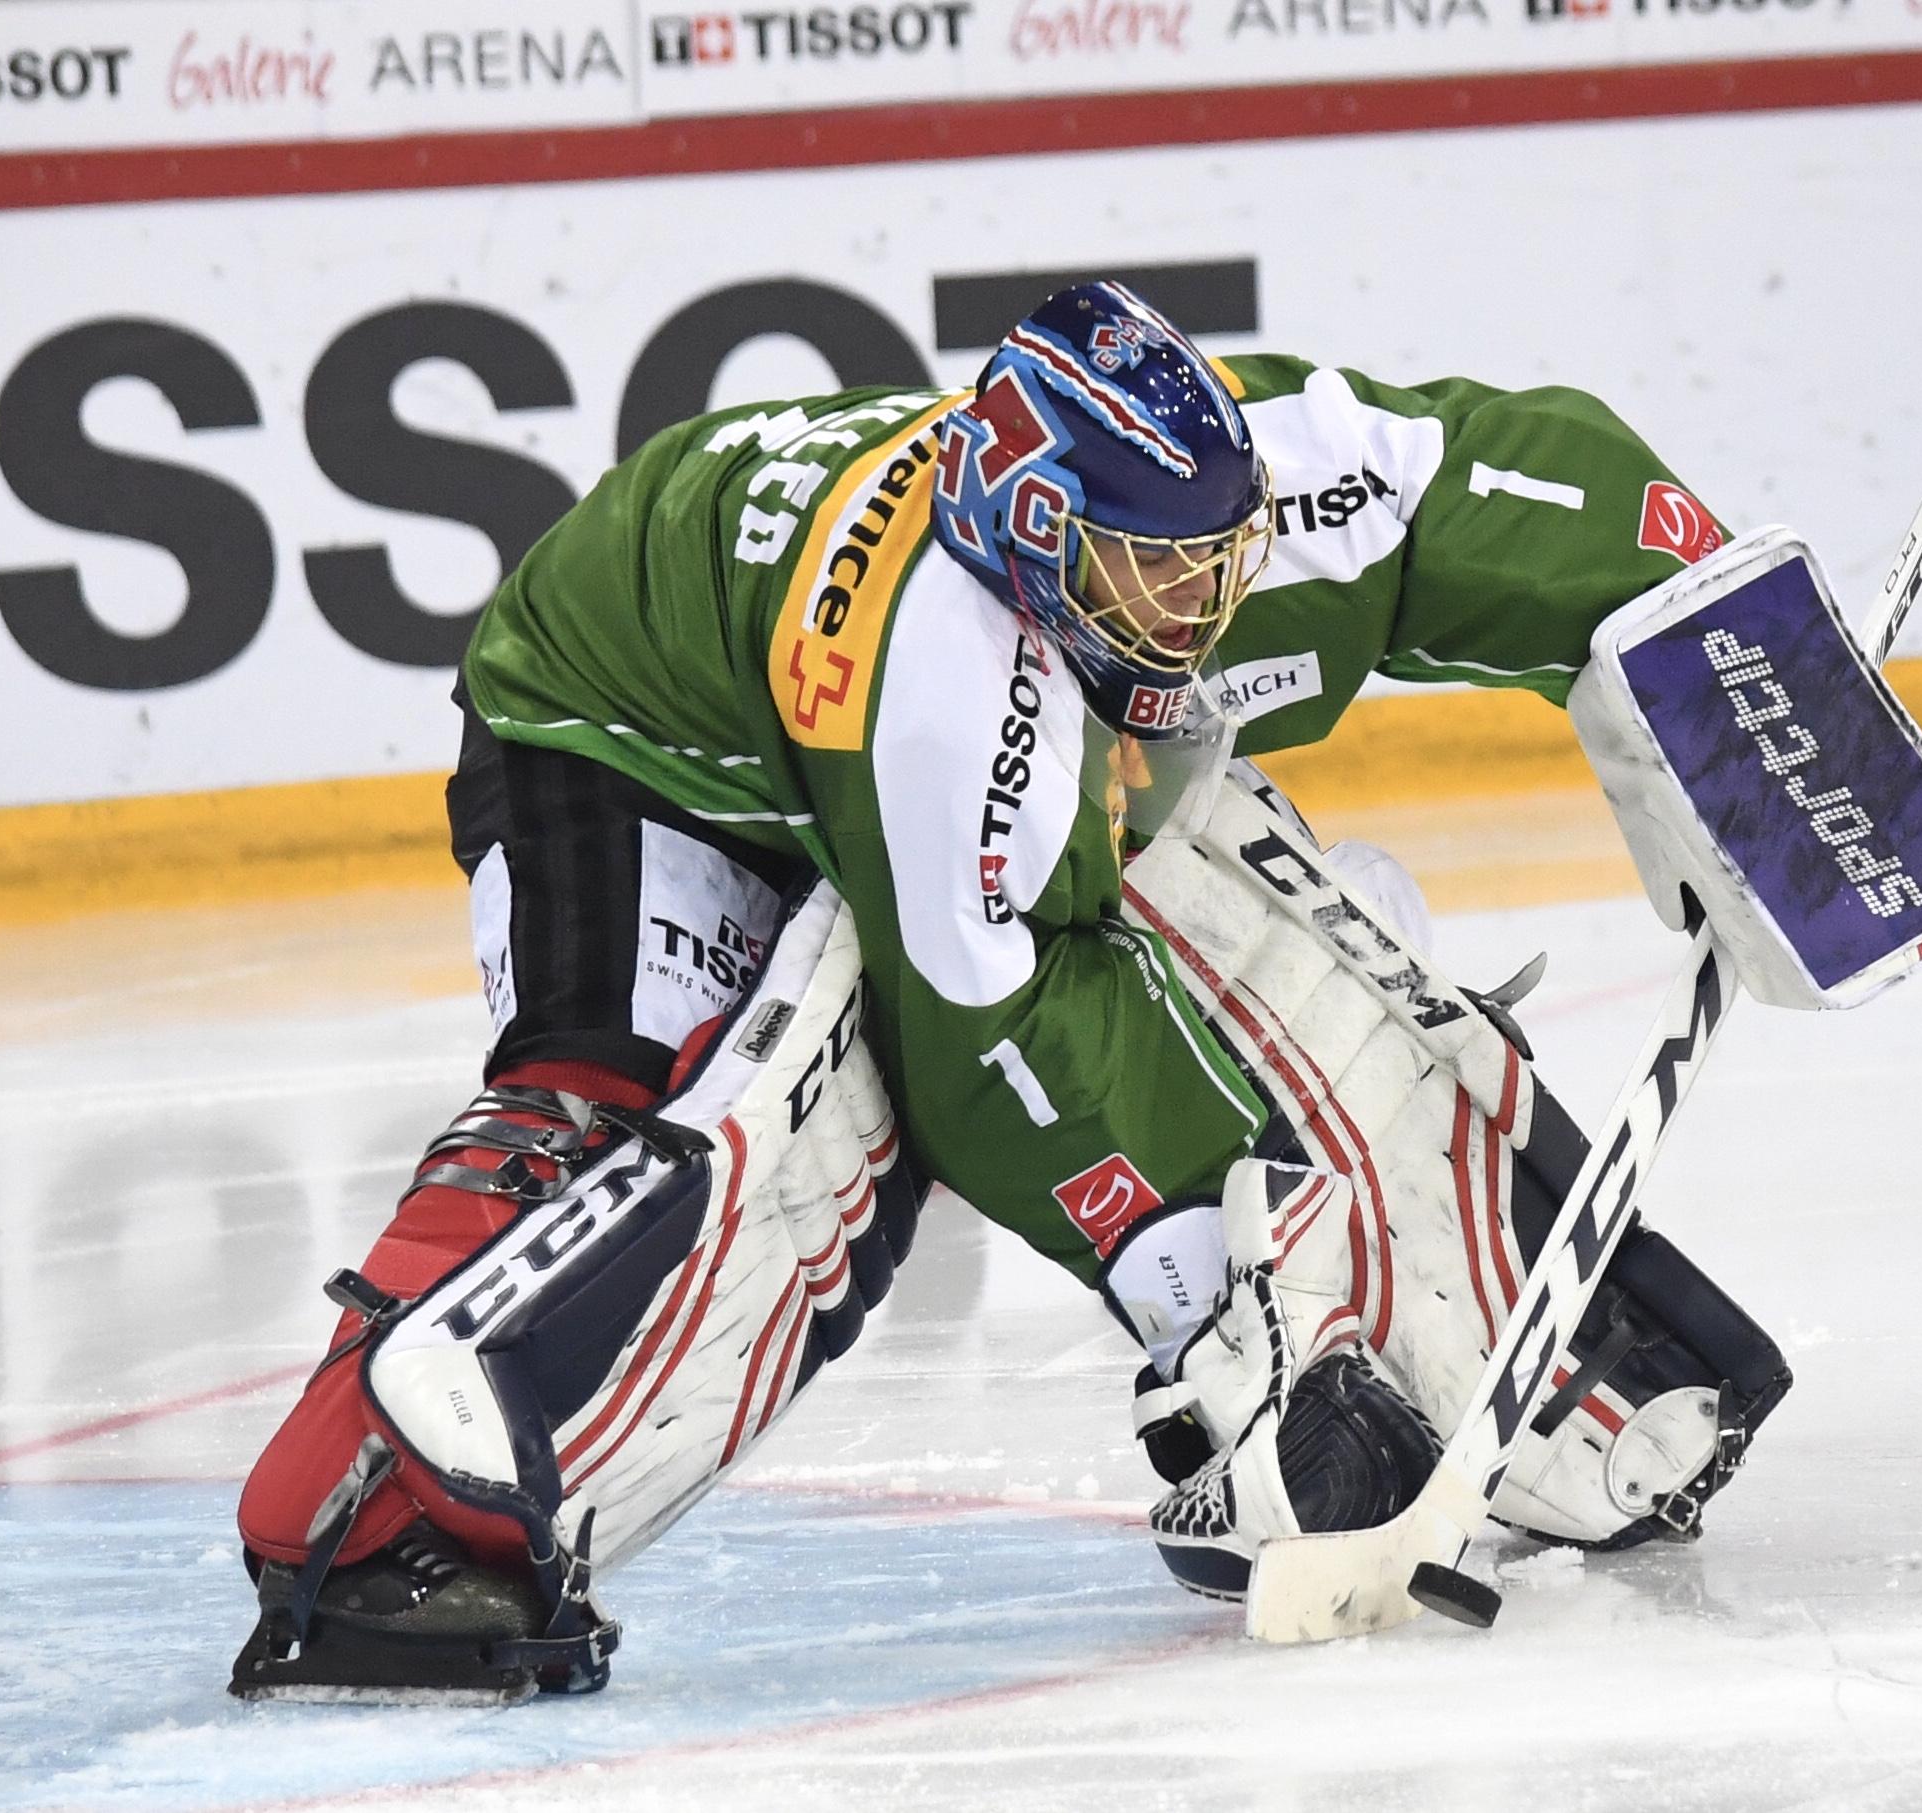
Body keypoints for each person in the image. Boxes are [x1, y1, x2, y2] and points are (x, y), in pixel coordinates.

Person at [226, 281, 1787, 1700]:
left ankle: (1520, 1353)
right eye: (1152, 570)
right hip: (623, 740)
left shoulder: (1219, 480)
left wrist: (1730, 657)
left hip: (840, 715)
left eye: (1216, 558)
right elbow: (985, 1039)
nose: (1198, 603)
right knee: (645, 1114)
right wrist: (1211, 1306)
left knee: (1261, 923)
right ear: (1033, 530)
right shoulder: (944, 676)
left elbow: (1499, 483)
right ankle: (363, 1520)